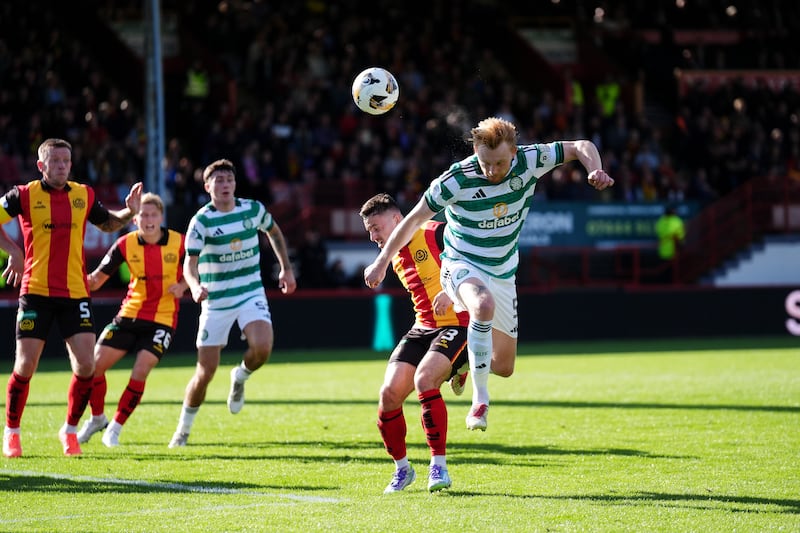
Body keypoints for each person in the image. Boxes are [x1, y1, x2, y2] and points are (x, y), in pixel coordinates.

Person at [364, 117, 614, 432]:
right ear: (475, 152)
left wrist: (594, 168)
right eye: (485, 163)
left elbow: (581, 146)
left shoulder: (532, 159)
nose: (492, 171)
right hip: (460, 262)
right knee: (481, 306)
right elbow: (412, 221)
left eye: (499, 163)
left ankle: (463, 364)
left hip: (503, 270)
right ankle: (480, 401)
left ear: (514, 153)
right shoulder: (455, 180)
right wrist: (382, 260)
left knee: (504, 366)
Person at [0, 138, 142, 457]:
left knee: (86, 365)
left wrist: (127, 213)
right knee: (25, 365)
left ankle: (70, 430)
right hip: (35, 291)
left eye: (67, 161)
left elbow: (106, 223)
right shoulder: (22, 195)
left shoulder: (83, 194)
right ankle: (11, 432)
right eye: (56, 161)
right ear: (41, 166)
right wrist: (13, 252)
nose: (63, 166)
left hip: (75, 293)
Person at [168, 158, 296, 448]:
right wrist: (194, 285)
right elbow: (190, 264)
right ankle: (183, 429)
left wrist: (285, 268)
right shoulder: (201, 221)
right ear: (207, 186)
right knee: (205, 373)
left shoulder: (252, 209)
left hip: (250, 291)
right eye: (219, 180)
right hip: (216, 300)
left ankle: (240, 376)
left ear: (235, 184)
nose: (225, 184)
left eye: (229, 179)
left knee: (262, 347)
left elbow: (273, 231)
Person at [360, 193, 469, 493]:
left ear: (397, 219)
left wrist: (453, 293)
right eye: (369, 231)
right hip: (422, 328)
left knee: (424, 379)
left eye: (376, 227)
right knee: (388, 395)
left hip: (457, 323)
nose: (373, 236)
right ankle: (403, 469)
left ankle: (439, 466)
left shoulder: (434, 232)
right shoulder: (391, 255)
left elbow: (471, 258)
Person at [76, 192, 187, 447]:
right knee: (92, 367)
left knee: (141, 368)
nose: (148, 219)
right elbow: (95, 280)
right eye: (144, 215)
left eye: (153, 214)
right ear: (135, 219)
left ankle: (114, 428)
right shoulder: (125, 244)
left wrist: (183, 285)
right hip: (130, 314)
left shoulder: (180, 243)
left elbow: (200, 269)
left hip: (163, 317)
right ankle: (96, 418)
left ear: (161, 217)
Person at [654, 204, 685, 283]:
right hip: (674, 251)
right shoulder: (676, 221)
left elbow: (659, 233)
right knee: (673, 273)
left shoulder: (660, 221)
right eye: (674, 211)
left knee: (664, 273)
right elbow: (679, 236)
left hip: (663, 250)